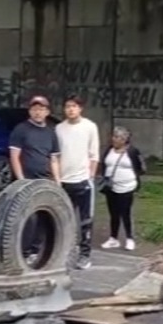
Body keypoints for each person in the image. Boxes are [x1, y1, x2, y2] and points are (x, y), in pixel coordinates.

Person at [9, 96, 60, 261]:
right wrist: (21, 180)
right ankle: (21, 252)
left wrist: (57, 181)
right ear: (30, 111)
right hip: (26, 181)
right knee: (26, 218)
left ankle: (34, 251)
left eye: (41, 109)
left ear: (47, 112)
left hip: (43, 182)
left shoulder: (51, 132)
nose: (38, 112)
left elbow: (53, 159)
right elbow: (14, 156)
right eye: (35, 109)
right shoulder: (21, 129)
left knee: (42, 217)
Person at [55, 95, 100, 270]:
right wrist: (57, 179)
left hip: (83, 181)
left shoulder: (89, 127)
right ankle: (64, 253)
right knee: (64, 220)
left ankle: (85, 255)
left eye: (74, 106)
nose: (71, 109)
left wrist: (90, 177)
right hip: (64, 182)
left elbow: (94, 154)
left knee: (85, 221)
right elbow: (55, 156)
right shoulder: (59, 128)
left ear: (80, 108)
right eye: (67, 106)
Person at [99, 126, 145, 251]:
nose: (114, 140)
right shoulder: (109, 150)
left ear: (124, 140)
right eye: (113, 137)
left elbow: (141, 167)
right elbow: (103, 164)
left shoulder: (132, 151)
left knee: (125, 213)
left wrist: (132, 177)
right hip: (111, 187)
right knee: (113, 213)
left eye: (117, 137)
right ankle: (113, 238)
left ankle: (130, 238)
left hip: (127, 187)